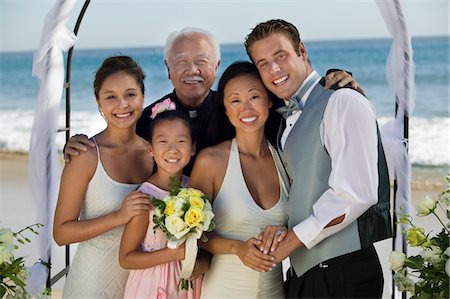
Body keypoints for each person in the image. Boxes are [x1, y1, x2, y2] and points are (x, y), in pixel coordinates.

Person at [63, 27, 360, 175]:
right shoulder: (148, 119)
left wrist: (337, 81)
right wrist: (79, 144)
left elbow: (297, 105)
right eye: (181, 62)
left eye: (201, 61)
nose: (192, 70)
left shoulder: (242, 109)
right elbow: (119, 143)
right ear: (167, 69)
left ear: (216, 66)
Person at [244, 19, 391, 298]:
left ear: (302, 51)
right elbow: (306, 188)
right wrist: (284, 229)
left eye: (281, 56)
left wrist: (292, 241)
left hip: (343, 275)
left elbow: (355, 194)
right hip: (305, 275)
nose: (274, 69)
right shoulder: (281, 119)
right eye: (263, 63)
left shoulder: (342, 101)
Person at [53, 56, 153, 298]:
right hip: (92, 285)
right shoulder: (85, 154)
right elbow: (61, 233)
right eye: (111, 97)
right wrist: (119, 216)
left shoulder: (154, 153)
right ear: (99, 102)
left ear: (142, 96)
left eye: (130, 94)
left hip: (141, 285)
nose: (122, 104)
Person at [189, 61, 289, 299]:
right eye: (235, 100)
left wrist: (284, 232)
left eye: (254, 97)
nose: (246, 108)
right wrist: (236, 248)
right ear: (225, 109)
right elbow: (192, 233)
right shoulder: (210, 161)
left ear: (269, 100)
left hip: (275, 293)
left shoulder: (285, 158)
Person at [119, 109, 203, 299]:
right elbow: (125, 258)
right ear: (150, 149)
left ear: (192, 147)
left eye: (181, 141)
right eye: (163, 141)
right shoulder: (144, 198)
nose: (172, 149)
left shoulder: (195, 189)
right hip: (152, 285)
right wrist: (172, 254)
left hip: (188, 281)